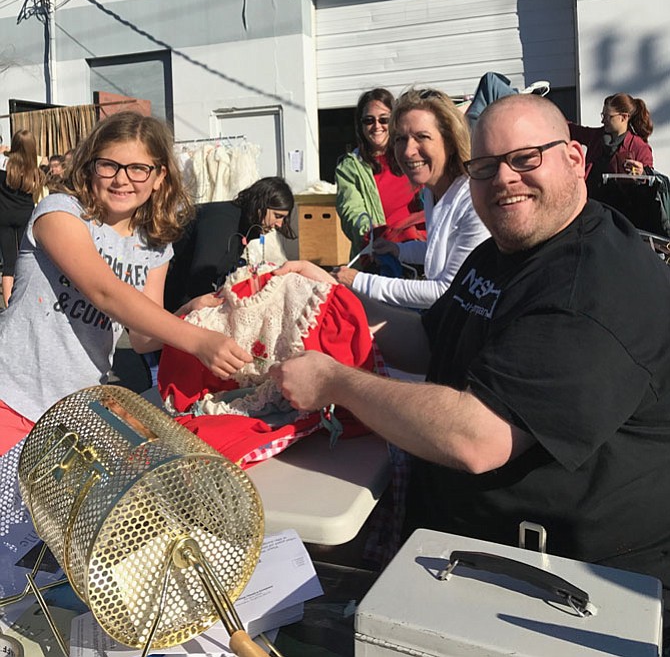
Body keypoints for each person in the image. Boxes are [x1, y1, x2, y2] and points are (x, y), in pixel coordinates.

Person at [270, 93, 670, 617]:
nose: (504, 179)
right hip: (462, 537)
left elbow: (478, 438)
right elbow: (433, 337)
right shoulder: (502, 251)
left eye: (526, 158)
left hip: (560, 579)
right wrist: (332, 311)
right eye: (485, 167)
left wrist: (335, 381)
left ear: (575, 158)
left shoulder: (590, 284)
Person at [0, 111, 253, 454]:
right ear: (90, 166)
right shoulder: (59, 212)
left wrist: (188, 312)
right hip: (12, 396)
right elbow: (106, 293)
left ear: (160, 175)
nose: (122, 180)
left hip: (76, 411)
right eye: (109, 165)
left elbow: (144, 337)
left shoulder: (154, 244)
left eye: (138, 168)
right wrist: (197, 339)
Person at [333, 87, 489, 309]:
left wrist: (358, 280)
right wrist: (398, 250)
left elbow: (446, 290)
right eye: (401, 139)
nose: (408, 151)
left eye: (422, 137)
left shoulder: (473, 201)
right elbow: (438, 248)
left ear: (450, 141)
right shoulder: (432, 192)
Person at [163, 175, 296, 313]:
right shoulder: (222, 221)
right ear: (260, 205)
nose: (280, 224)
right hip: (170, 300)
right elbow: (200, 279)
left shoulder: (241, 223)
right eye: (277, 216)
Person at [335, 88, 424, 262]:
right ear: (360, 126)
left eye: (384, 119)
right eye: (369, 120)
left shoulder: (412, 156)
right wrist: (369, 233)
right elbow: (351, 209)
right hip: (380, 255)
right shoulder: (350, 167)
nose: (377, 126)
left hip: (420, 248)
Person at [569, 92, 654, 192]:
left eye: (608, 116)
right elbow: (572, 130)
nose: (603, 121)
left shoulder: (639, 147)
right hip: (593, 202)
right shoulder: (596, 137)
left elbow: (651, 181)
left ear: (624, 117)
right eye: (603, 115)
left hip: (622, 205)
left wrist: (642, 173)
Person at [0, 130, 44, 306]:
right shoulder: (35, 170)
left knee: (8, 262)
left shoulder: (3, 164)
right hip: (25, 214)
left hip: (3, 215)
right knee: (26, 257)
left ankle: (9, 305)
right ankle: (25, 299)